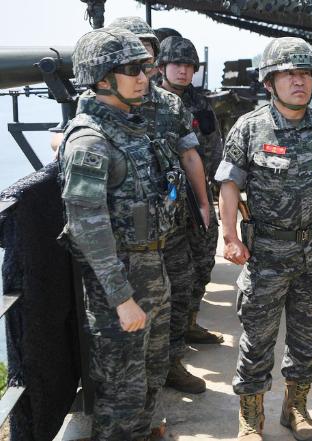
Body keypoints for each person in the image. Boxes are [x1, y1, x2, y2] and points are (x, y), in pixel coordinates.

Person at [214, 37, 312, 441]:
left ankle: (296, 408)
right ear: (269, 82)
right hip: (266, 258)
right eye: (288, 75)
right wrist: (229, 236)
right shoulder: (249, 127)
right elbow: (228, 185)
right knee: (256, 340)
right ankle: (250, 418)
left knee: (308, 339)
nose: (299, 82)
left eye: (304, 74)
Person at [59, 27, 174, 440]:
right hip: (120, 289)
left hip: (151, 272)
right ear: (102, 79)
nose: (145, 76)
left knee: (151, 378)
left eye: (146, 67)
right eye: (133, 69)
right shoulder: (90, 142)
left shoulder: (130, 125)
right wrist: (123, 300)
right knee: (121, 398)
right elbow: (88, 230)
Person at [108, 16, 210, 395]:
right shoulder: (100, 103)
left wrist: (204, 204)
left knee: (179, 292)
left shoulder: (168, 104)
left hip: (172, 221)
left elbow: (190, 154)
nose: (140, 54)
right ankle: (136, 386)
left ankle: (171, 363)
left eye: (146, 47)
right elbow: (63, 142)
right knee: (129, 309)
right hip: (125, 232)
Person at [157, 36, 225, 345]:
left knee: (203, 260)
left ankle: (190, 322)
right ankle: (172, 341)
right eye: (177, 64)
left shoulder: (201, 103)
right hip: (167, 202)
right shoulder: (149, 101)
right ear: (162, 67)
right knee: (173, 274)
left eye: (188, 66)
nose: (183, 71)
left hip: (201, 196)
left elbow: (215, 146)